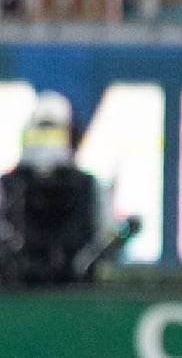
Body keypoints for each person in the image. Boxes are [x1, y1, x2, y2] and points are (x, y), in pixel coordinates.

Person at [0, 91, 99, 286]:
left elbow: (96, 240)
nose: (45, 142)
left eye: (54, 133)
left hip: (74, 285)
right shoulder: (10, 185)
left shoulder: (86, 186)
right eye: (39, 133)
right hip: (17, 284)